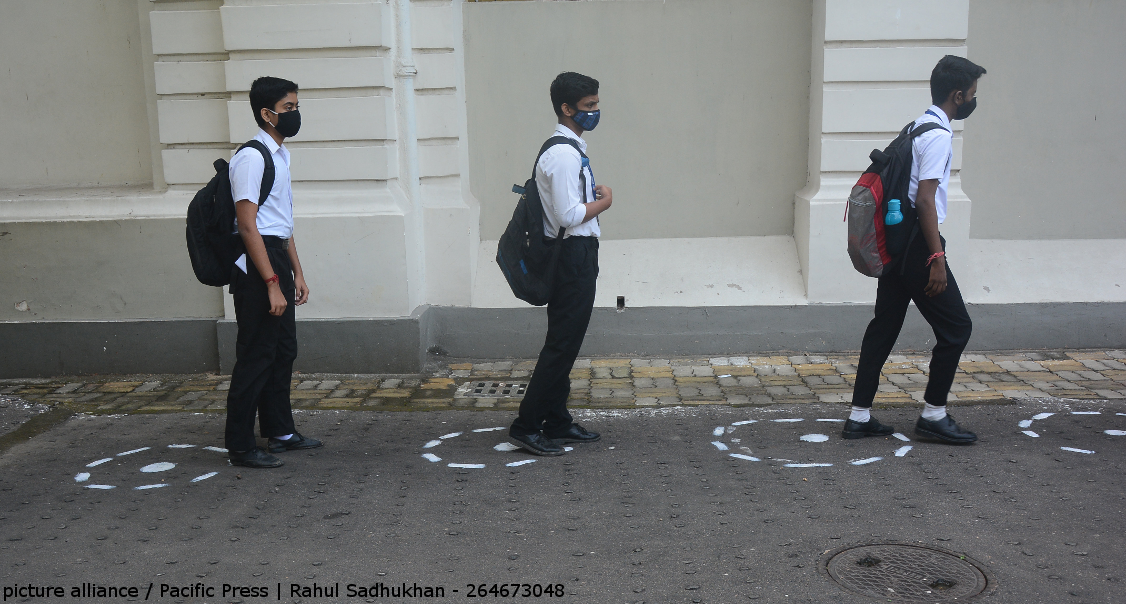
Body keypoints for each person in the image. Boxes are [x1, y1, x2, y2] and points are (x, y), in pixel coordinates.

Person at [842, 56, 986, 444]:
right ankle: (934, 415)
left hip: (896, 244)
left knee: (884, 327)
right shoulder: (938, 135)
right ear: (958, 96)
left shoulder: (915, 127)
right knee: (957, 328)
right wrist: (936, 258)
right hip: (918, 248)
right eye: (973, 94)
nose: (974, 100)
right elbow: (925, 201)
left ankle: (859, 416)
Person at [509, 72, 614, 456]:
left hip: (576, 255)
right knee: (561, 345)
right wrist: (605, 201)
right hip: (572, 257)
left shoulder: (568, 149)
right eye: (588, 107)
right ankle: (526, 425)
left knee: (566, 343)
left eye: (596, 104)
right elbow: (570, 215)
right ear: (566, 109)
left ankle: (556, 420)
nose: (595, 112)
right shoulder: (564, 155)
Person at [225, 76, 322, 468]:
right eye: (288, 109)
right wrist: (270, 284)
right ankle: (241, 445)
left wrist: (296, 273)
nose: (295, 115)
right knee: (256, 354)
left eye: (296, 107)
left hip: (277, 255)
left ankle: (280, 430)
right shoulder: (251, 157)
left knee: (283, 350)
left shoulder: (280, 154)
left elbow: (282, 223)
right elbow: (248, 226)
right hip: (256, 263)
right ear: (267, 114)